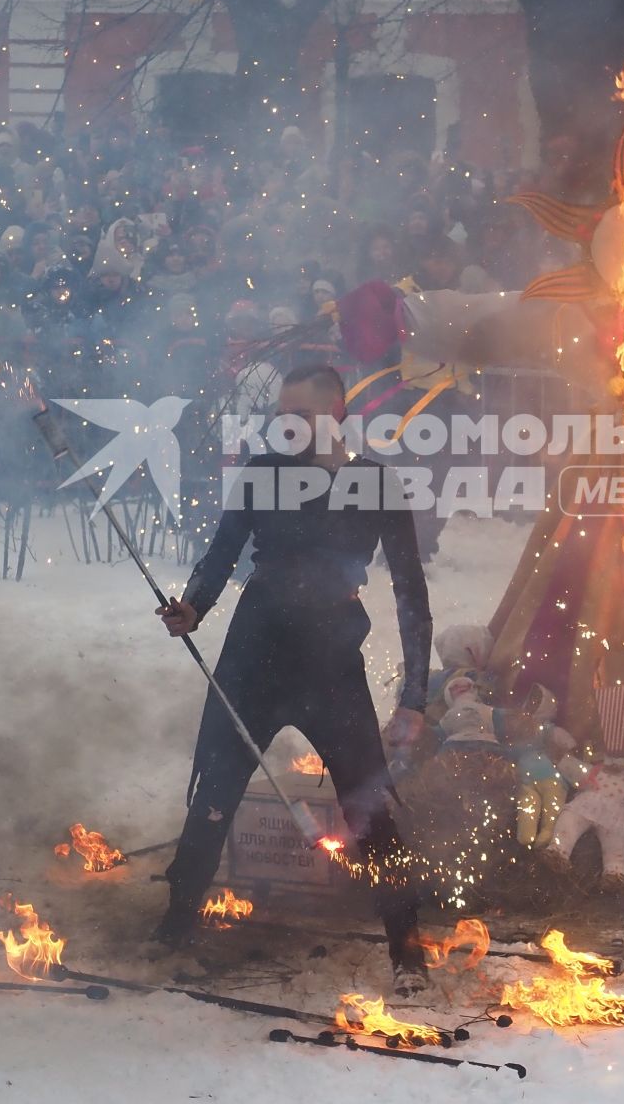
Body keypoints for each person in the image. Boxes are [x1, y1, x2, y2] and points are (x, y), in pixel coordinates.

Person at [152, 365, 432, 995]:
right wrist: (193, 606)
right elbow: (223, 551)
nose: (287, 424)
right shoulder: (264, 473)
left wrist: (415, 695)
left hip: (331, 657)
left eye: (300, 413)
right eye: (282, 413)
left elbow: (413, 593)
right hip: (255, 650)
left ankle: (407, 947)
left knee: (367, 804)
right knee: (215, 790)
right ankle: (174, 924)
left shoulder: (375, 483)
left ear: (335, 413)